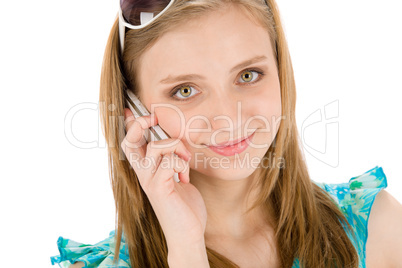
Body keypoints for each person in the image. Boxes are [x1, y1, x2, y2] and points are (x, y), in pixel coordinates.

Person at [50, 0, 402, 267]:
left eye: (247, 75)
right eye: (185, 90)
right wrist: (186, 248)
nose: (226, 118)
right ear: (137, 114)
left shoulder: (376, 227)